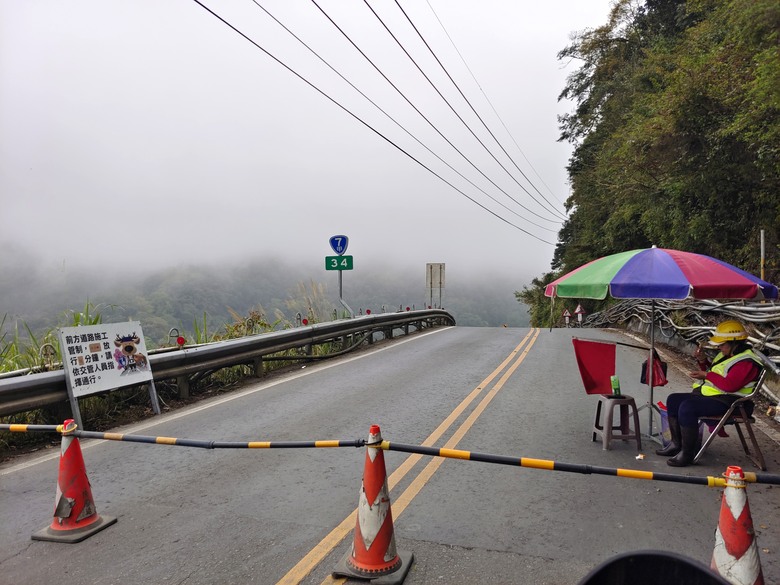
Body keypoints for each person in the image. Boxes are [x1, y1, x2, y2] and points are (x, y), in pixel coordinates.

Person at [655, 320, 762, 467]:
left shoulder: (747, 362)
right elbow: (715, 372)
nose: (719, 347)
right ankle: (676, 444)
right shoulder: (727, 355)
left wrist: (706, 375)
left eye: (722, 344)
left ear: (735, 343)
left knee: (688, 407)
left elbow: (730, 385)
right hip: (715, 397)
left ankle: (687, 453)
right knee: (673, 400)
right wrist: (702, 360)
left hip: (733, 402)